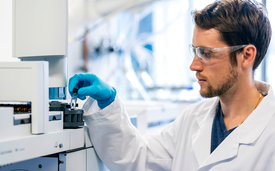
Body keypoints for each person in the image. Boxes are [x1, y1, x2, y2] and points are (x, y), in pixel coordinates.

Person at [69, 0, 274, 170]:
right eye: (195, 52)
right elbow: (137, 157)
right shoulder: (193, 118)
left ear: (246, 56)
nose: (193, 65)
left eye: (207, 54)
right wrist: (108, 103)